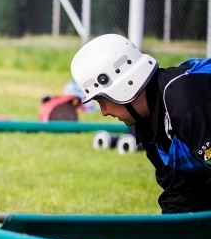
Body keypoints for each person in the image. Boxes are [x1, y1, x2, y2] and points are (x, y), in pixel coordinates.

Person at [71, 34, 211, 213]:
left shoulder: (188, 105)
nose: (104, 112)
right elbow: (179, 192)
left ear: (124, 87)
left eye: (102, 101)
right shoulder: (148, 120)